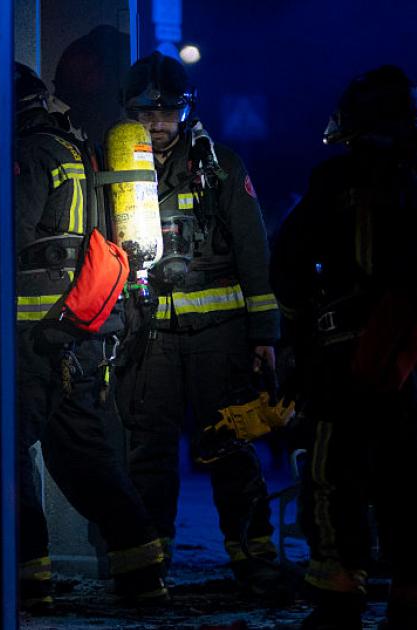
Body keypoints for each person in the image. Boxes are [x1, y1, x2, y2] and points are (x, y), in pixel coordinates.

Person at [272, 65, 417, 630]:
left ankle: (339, 601)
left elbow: (289, 260)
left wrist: (298, 336)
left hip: (346, 359)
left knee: (334, 476)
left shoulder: (335, 179)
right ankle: (416, 607)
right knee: (415, 482)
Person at [112, 52, 284, 597]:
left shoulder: (221, 166)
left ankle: (254, 556)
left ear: (187, 110)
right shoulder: (114, 172)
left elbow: (254, 251)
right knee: (150, 449)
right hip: (149, 336)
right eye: (146, 112)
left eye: (168, 111)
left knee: (231, 442)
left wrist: (265, 335)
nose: (158, 122)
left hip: (219, 336)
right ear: (128, 112)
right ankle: (149, 563)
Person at [12, 62, 166, 611]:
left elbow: (9, 235)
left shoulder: (29, 153)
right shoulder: (77, 148)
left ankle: (28, 581)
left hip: (30, 338)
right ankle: (143, 572)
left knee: (5, 451)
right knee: (85, 457)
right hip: (80, 333)